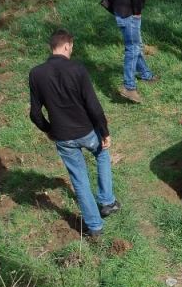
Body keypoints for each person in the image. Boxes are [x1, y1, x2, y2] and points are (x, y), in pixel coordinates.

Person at [29, 29, 120, 239]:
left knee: (79, 180)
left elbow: (35, 113)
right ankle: (107, 202)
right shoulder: (77, 69)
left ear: (51, 47)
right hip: (87, 131)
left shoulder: (36, 73)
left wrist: (49, 130)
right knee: (102, 154)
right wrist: (104, 131)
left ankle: (95, 228)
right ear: (67, 46)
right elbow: (93, 105)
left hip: (63, 136)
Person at [101, 0, 171, 103]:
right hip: (128, 11)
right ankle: (129, 87)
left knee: (136, 44)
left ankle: (146, 75)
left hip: (123, 8)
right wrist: (137, 12)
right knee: (132, 48)